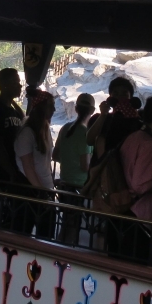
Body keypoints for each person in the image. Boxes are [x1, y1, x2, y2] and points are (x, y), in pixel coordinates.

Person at [107, 95, 152, 263]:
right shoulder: (149, 144)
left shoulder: (133, 137)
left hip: (120, 211)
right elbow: (141, 185)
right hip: (136, 216)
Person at [13, 91, 58, 236]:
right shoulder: (27, 133)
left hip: (45, 189)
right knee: (23, 234)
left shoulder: (44, 130)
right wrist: (41, 192)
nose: (54, 110)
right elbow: (28, 167)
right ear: (41, 107)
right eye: (51, 106)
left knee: (47, 235)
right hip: (32, 192)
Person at [53, 93, 95, 245]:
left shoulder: (65, 128)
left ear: (76, 108)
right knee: (73, 226)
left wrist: (69, 161)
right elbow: (85, 166)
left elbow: (55, 155)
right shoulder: (86, 134)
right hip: (79, 187)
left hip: (64, 183)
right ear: (92, 111)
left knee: (66, 223)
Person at [87, 76, 142, 160]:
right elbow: (90, 140)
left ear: (131, 98)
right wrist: (103, 115)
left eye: (124, 94)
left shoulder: (139, 121)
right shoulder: (99, 118)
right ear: (110, 98)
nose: (120, 97)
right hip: (107, 170)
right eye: (116, 94)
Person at [0, 68, 26, 185]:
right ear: (5, 85)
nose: (20, 86)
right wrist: (11, 171)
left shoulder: (14, 112)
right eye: (15, 83)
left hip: (13, 169)